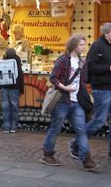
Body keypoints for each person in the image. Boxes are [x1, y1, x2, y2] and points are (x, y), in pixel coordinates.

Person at [68, 22, 111, 160]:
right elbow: (90, 67)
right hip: (101, 90)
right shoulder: (97, 46)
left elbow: (109, 65)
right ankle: (75, 143)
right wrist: (109, 68)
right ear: (106, 33)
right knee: (99, 121)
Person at [39, 34, 100, 171]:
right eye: (81, 45)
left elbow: (83, 81)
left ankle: (86, 159)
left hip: (76, 102)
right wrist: (65, 87)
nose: (84, 47)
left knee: (81, 130)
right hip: (62, 100)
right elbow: (53, 78)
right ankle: (47, 154)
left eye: (84, 45)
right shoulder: (63, 60)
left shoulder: (82, 62)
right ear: (73, 46)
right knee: (55, 128)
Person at [0, 48, 24, 133]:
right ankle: (13, 127)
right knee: (14, 107)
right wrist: (21, 89)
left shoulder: (1, 62)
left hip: (4, 88)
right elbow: (20, 77)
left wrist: (1, 85)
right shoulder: (17, 62)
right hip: (14, 89)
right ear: (15, 54)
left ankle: (6, 127)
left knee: (5, 107)